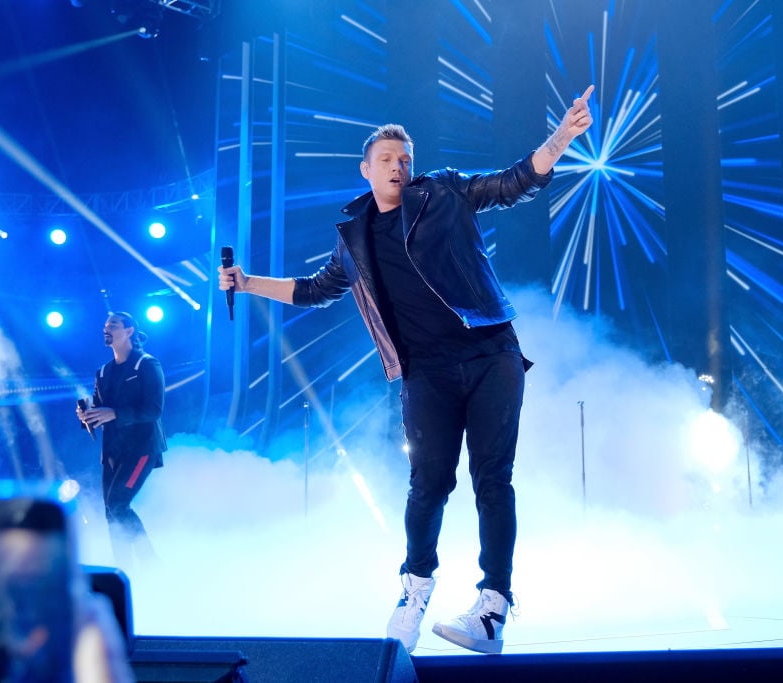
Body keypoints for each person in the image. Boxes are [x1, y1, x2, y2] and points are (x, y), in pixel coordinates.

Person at [219, 85, 594, 654]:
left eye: (405, 159)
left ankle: (492, 610)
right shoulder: (354, 239)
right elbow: (314, 291)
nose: (399, 166)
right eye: (388, 159)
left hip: (490, 352)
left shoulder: (442, 192)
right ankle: (414, 593)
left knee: (492, 479)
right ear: (365, 169)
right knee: (429, 485)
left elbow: (514, 182)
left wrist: (561, 138)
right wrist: (247, 284)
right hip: (424, 371)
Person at [77, 311, 166, 573]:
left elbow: (154, 409)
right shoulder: (103, 372)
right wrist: (86, 416)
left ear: (129, 331)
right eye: (105, 326)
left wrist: (114, 413)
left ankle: (150, 563)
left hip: (142, 449)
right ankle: (124, 570)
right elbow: (100, 410)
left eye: (112, 325)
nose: (106, 329)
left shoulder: (147, 364)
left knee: (118, 504)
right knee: (110, 512)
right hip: (113, 450)